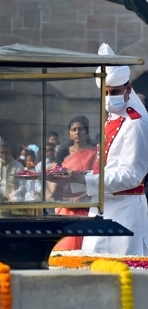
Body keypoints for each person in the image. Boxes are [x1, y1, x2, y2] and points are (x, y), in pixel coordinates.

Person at [52, 43, 148, 255]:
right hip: (102, 207)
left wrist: (82, 179)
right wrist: (72, 177)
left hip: (126, 209)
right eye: (105, 92)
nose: (109, 97)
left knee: (125, 270)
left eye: (114, 92)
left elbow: (132, 175)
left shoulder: (135, 123)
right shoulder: (110, 120)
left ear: (128, 89)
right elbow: (105, 168)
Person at [52, 115, 97, 250]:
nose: (77, 132)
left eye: (81, 129)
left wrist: (80, 199)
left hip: (87, 204)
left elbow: (96, 180)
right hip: (66, 204)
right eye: (74, 129)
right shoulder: (63, 152)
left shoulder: (95, 152)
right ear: (70, 133)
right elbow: (57, 177)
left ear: (87, 132)